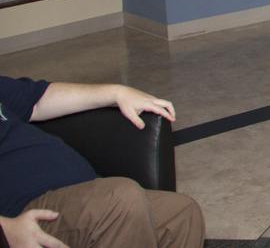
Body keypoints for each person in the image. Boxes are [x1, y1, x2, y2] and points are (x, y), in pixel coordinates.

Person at [0, 77, 204, 248]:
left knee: (181, 213)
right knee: (120, 199)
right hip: (25, 212)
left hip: (74, 195)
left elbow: (36, 100)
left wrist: (116, 93)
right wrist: (7, 229)